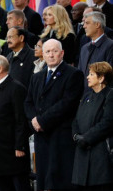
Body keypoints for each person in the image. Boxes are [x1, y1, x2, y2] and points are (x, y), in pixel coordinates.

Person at [24, 39, 84, 191]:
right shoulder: (37, 76)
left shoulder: (74, 74)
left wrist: (42, 121)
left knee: (60, 181)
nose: (51, 55)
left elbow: (67, 104)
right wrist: (34, 121)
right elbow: (28, 102)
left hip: (60, 136)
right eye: (48, 51)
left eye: (55, 51)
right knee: (44, 182)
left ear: (62, 53)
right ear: (42, 55)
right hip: (41, 136)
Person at [0, 55, 31, 191]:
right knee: (3, 185)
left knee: (19, 185)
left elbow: (21, 120)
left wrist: (20, 146)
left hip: (13, 150)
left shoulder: (17, 88)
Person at [72, 62, 113, 190]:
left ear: (101, 78)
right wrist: (76, 135)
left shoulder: (110, 95)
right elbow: (76, 120)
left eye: (91, 74)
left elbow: (108, 122)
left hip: (99, 154)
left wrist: (87, 138)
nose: (87, 77)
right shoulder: (86, 96)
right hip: (82, 151)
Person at [78, 12, 113, 88]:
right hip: (85, 97)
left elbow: (110, 76)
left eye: (87, 23)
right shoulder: (84, 48)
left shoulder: (110, 46)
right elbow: (80, 74)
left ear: (97, 25)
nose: (84, 26)